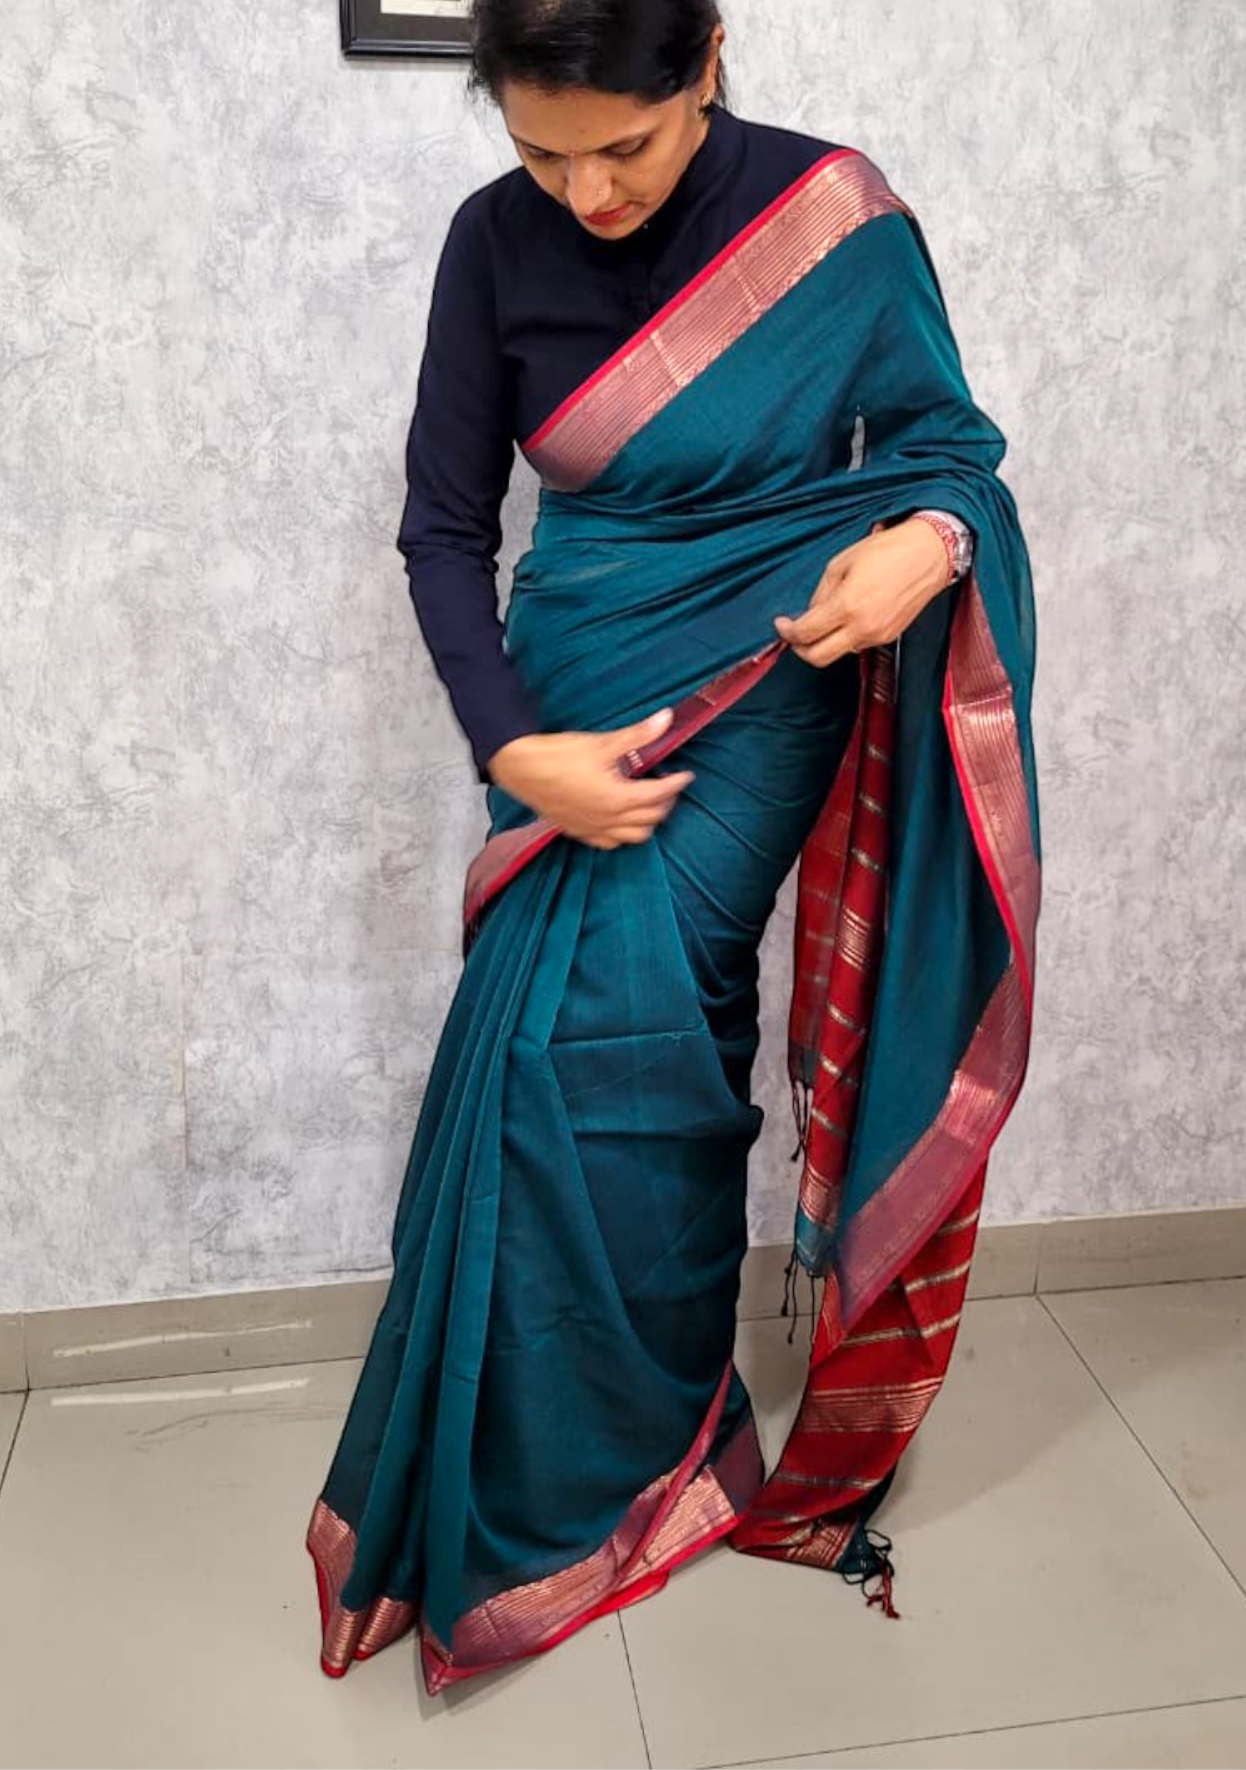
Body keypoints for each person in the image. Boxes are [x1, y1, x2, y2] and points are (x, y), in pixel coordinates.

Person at [307, 0, 1039, 1696]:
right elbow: (441, 525)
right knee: (535, 1054)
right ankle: (606, 1435)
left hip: (758, 691)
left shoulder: (833, 222)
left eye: (621, 147)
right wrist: (513, 743)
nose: (586, 191)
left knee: (633, 1041)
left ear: (707, 58)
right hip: (562, 694)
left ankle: (633, 1444)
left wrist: (923, 550)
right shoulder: (493, 249)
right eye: (541, 150)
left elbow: (957, 452)